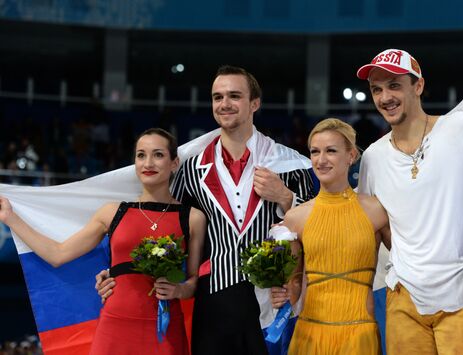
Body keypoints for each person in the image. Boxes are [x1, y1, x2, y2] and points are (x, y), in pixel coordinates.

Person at [97, 66, 315, 355]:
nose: (224, 104)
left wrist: (286, 199)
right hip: (214, 297)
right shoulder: (191, 169)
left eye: (234, 96)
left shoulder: (291, 165)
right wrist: (119, 271)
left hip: (273, 300)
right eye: (217, 97)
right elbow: (165, 227)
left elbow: (318, 231)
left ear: (254, 103)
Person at [355, 9, 463, 355]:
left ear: (419, 86)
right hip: (404, 299)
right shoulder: (373, 157)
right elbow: (372, 223)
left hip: (461, 295)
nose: (385, 97)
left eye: (395, 85)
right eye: (377, 89)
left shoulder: (461, 130)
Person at [0, 128, 206, 355]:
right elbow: (57, 254)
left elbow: (194, 281)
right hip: (115, 327)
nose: (148, 163)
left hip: (165, 330)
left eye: (158, 155)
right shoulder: (111, 212)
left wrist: (180, 290)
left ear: (174, 163)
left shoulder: (193, 218)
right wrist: (10, 218)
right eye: (141, 155)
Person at [271, 118, 389, 354]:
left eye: (331, 151)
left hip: (359, 336)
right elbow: (293, 282)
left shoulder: (376, 210)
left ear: (351, 156)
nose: (321, 160)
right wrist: (279, 292)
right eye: (315, 151)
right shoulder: (295, 218)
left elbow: (411, 259)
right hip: (310, 336)